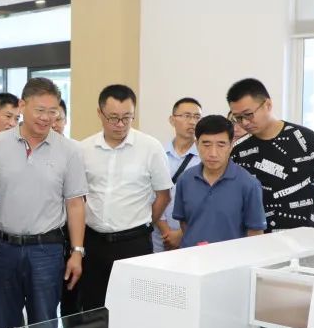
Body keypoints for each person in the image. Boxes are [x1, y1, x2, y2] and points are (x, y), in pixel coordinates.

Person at [0, 77, 87, 328]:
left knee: (45, 326)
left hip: (46, 250)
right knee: (2, 326)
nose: (46, 118)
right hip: (1, 246)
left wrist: (77, 252)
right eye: (40, 110)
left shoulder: (69, 150)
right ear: (22, 106)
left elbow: (75, 203)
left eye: (53, 111)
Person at [70, 84, 172, 315]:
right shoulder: (84, 149)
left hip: (134, 242)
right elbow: (79, 197)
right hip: (94, 242)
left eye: (127, 117)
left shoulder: (150, 147)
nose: (120, 124)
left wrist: (146, 221)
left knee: (135, 310)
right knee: (94, 310)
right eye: (113, 118)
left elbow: (163, 195)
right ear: (100, 113)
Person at [227, 78, 314, 231]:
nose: (244, 123)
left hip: (305, 237)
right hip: (257, 239)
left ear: (268, 105)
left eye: (248, 114)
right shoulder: (239, 150)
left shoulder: (308, 140)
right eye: (238, 118)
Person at [173, 115, 267, 247]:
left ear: (231, 145)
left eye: (221, 145)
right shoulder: (185, 179)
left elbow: (255, 233)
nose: (213, 153)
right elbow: (184, 223)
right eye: (206, 144)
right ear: (196, 144)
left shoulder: (249, 184)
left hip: (232, 258)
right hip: (192, 257)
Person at [152, 97, 202, 252]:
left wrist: (181, 233)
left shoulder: (206, 157)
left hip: (193, 234)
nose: (192, 122)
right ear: (172, 120)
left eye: (197, 117)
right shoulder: (158, 153)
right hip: (159, 235)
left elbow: (206, 200)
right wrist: (166, 231)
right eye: (187, 116)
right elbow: (151, 195)